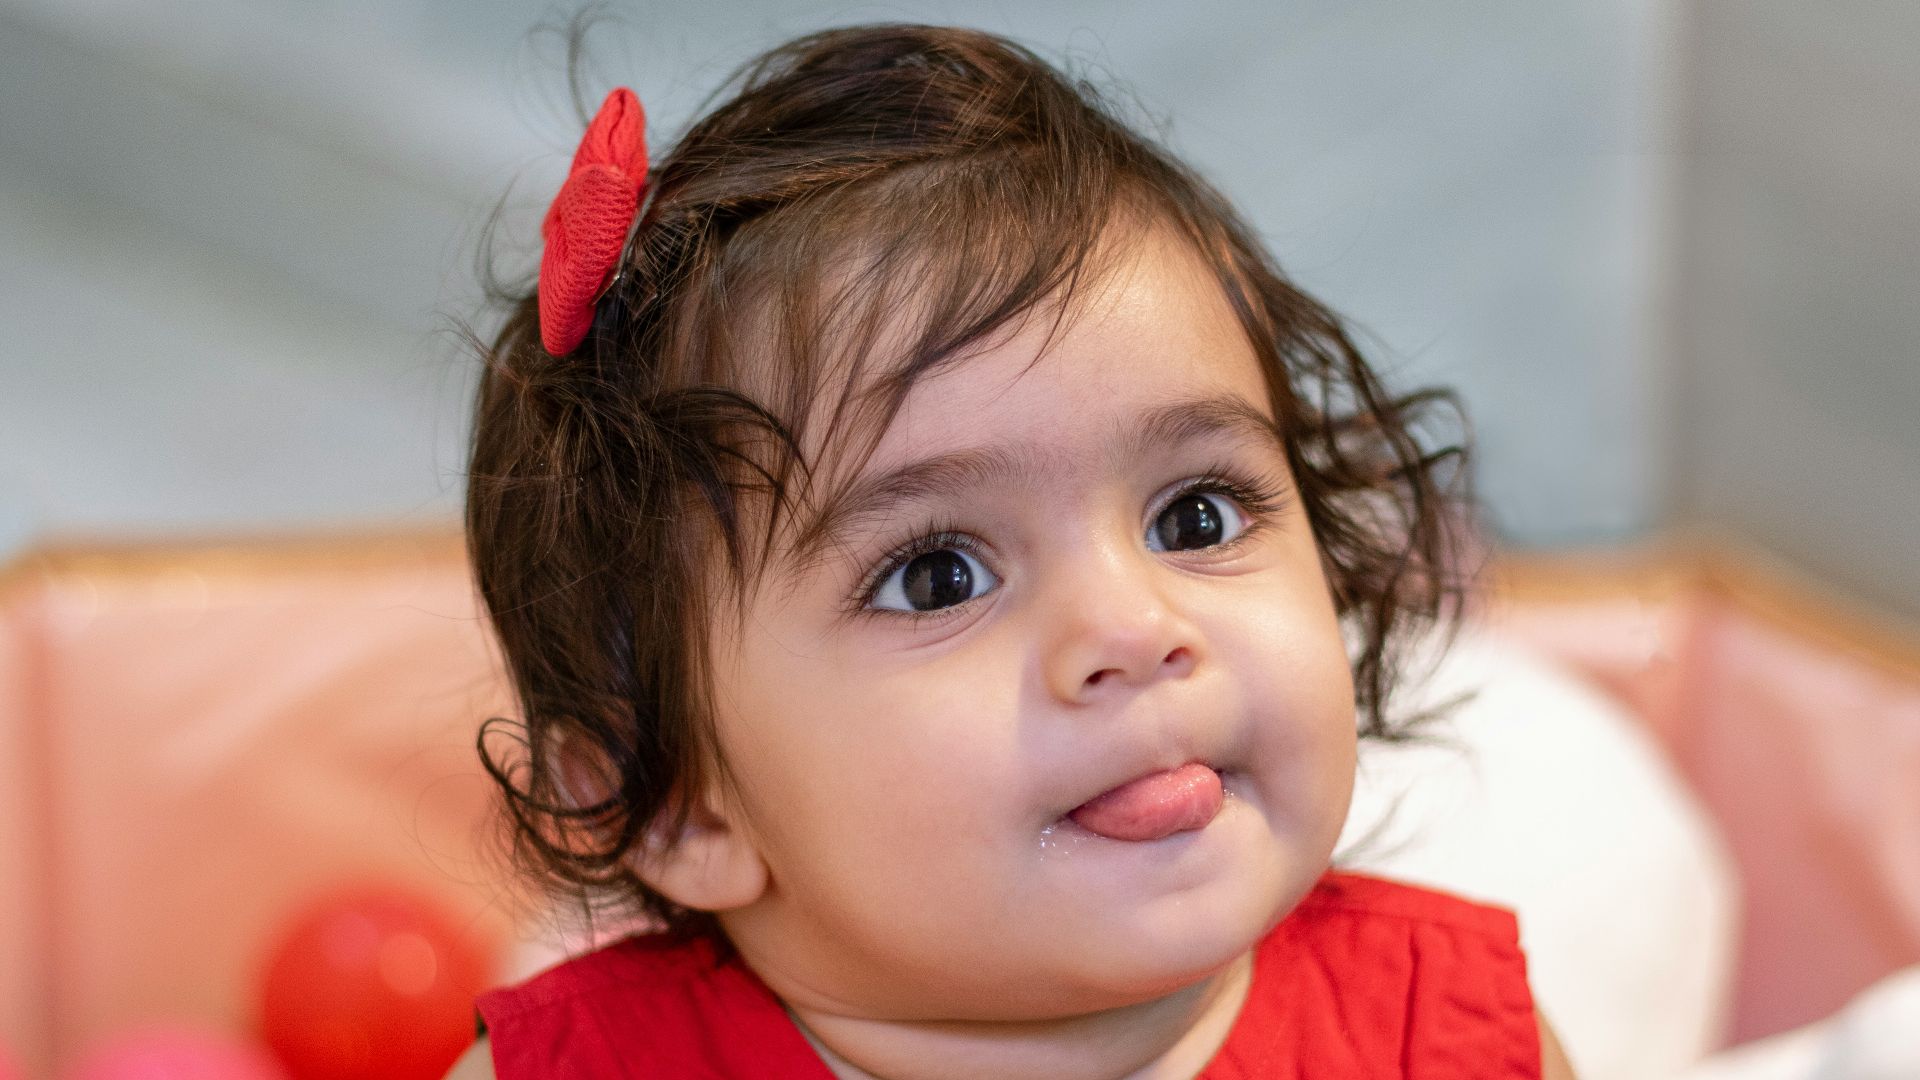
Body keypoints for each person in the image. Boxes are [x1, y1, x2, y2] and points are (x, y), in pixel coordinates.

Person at [449, 20, 1577, 1080]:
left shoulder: (1454, 1044)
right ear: (677, 805)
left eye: (1197, 517)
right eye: (937, 577)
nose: (1135, 631)